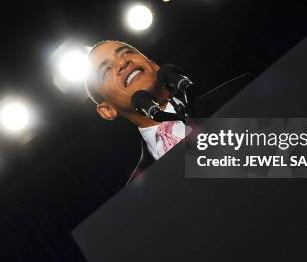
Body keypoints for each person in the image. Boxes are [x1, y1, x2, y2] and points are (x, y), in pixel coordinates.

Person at [85, 40, 252, 182]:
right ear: (107, 110)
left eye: (127, 53)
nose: (122, 63)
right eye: (106, 70)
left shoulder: (241, 93)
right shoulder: (138, 193)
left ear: (154, 65)